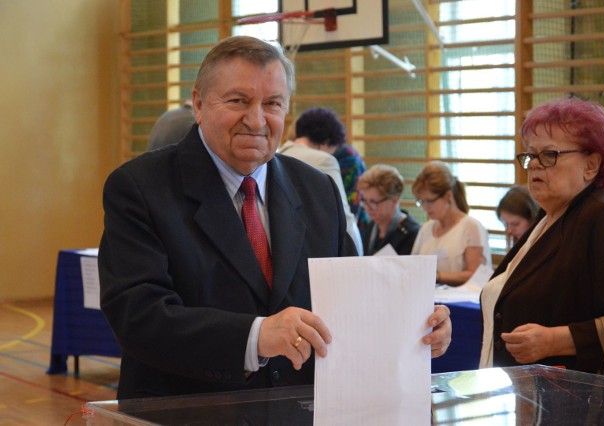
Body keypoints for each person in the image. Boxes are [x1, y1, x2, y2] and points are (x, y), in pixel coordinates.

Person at [98, 35, 452, 399]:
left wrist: (414, 325)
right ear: (199, 103)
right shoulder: (140, 187)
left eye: (272, 103)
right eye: (238, 101)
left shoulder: (319, 191)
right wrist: (255, 336)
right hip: (186, 414)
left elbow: (351, 304)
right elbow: (139, 316)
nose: (256, 120)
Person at [479, 97, 604, 381]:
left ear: (591, 165)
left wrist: (557, 340)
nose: (534, 166)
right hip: (534, 397)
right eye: (530, 155)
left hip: (580, 404)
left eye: (550, 155)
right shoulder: (547, 220)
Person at [278, 108, 364, 255]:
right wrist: (358, 257)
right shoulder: (324, 160)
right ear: (325, 143)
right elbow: (344, 219)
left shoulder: (277, 155)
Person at [411, 161, 492, 286]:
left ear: (448, 195)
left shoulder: (471, 227)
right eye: (421, 202)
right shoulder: (426, 229)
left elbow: (476, 274)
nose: (425, 207)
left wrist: (438, 276)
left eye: (430, 201)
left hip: (461, 302)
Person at [297, 107, 369, 235]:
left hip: (353, 225)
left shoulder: (348, 159)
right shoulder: (317, 156)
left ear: (325, 143)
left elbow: (350, 207)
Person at [356, 164, 420, 255]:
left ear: (394, 200)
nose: (368, 208)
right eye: (365, 201)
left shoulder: (411, 233)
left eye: (374, 202)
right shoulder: (371, 227)